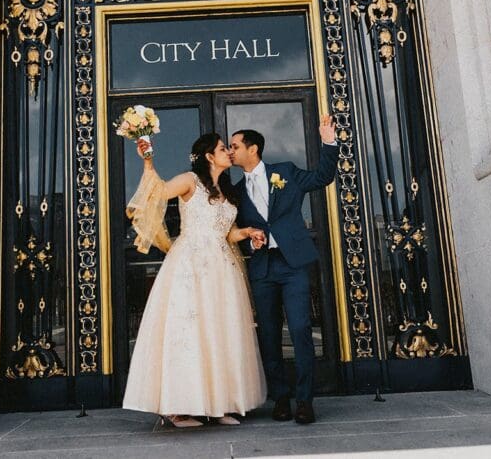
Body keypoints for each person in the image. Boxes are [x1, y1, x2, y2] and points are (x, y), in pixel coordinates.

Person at [122, 132, 267, 427]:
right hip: (191, 265)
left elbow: (227, 232)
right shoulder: (190, 180)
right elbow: (159, 192)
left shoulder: (227, 190)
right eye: (223, 149)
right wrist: (148, 161)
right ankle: (178, 408)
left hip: (222, 269)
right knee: (189, 332)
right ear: (209, 156)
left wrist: (247, 232)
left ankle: (220, 404)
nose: (228, 152)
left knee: (220, 332)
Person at [229, 116, 339, 425]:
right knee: (268, 334)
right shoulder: (236, 192)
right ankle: (280, 398)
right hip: (262, 267)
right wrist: (249, 238)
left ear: (253, 149)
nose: (231, 151)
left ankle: (304, 401)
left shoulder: (286, 172)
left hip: (292, 265)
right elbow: (233, 229)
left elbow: (322, 177)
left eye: (235, 146)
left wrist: (329, 141)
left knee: (301, 329)